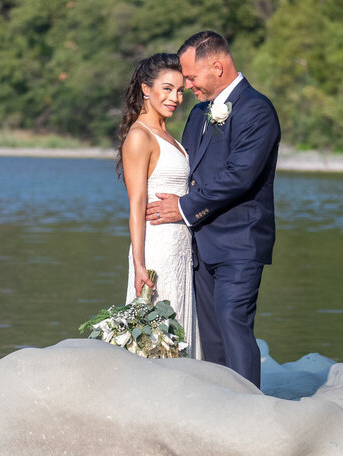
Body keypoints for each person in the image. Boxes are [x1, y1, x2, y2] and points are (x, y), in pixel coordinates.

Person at [146, 31, 280, 386]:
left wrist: (184, 208)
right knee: (212, 333)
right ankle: (223, 402)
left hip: (240, 241)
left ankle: (249, 406)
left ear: (217, 66)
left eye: (191, 77)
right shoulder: (199, 113)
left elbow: (241, 176)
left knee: (232, 320)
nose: (187, 85)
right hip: (199, 245)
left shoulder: (257, 110)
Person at [117, 52, 200, 358]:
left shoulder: (166, 133)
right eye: (166, 88)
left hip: (180, 247)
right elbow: (136, 205)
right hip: (157, 250)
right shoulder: (140, 136)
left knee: (177, 329)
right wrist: (139, 265)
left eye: (179, 90)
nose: (175, 97)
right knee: (159, 336)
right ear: (145, 88)